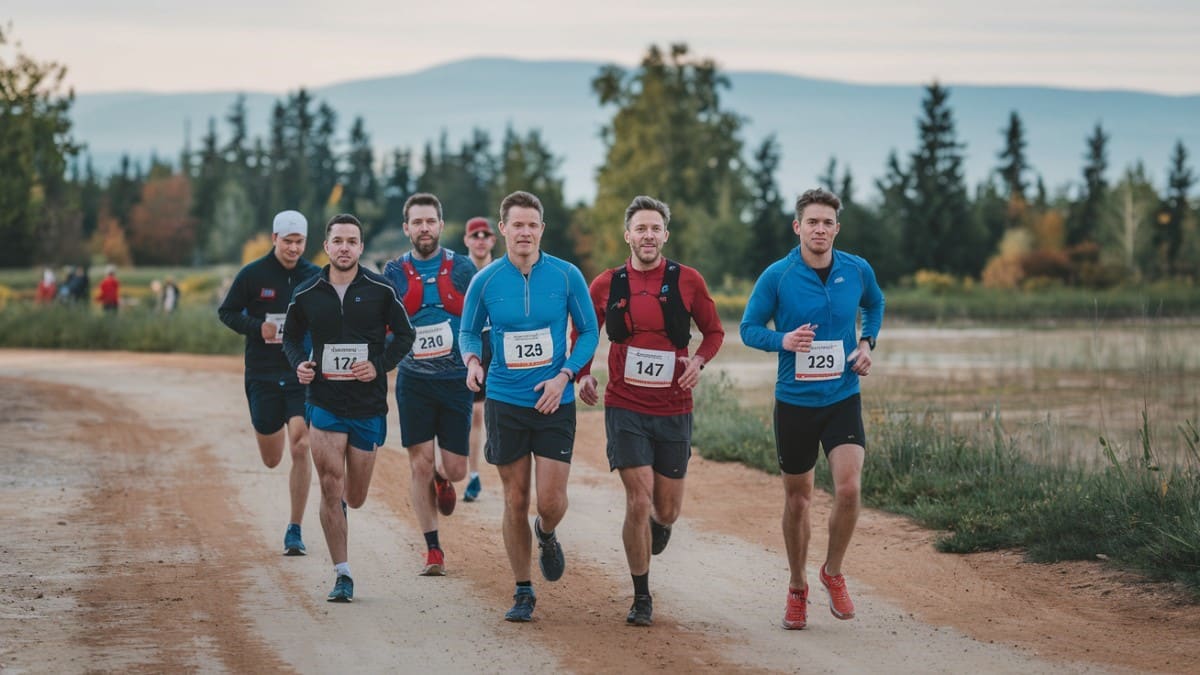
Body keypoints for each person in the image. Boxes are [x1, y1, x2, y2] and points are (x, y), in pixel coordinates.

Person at [739, 187, 884, 630]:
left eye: (828, 223)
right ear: (797, 226)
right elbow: (747, 328)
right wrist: (781, 340)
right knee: (799, 500)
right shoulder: (777, 276)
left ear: (837, 228)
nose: (820, 229)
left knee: (849, 489)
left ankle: (833, 572)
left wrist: (865, 343)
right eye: (812, 222)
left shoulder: (856, 269)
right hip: (795, 404)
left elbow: (875, 304)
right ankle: (798, 586)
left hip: (842, 396)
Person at [575, 195, 724, 627]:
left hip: (675, 406)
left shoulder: (688, 280)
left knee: (666, 509)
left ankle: (663, 524)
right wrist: (583, 374)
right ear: (628, 235)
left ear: (665, 235)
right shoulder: (606, 283)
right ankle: (642, 596)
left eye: (655, 228)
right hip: (625, 405)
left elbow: (714, 332)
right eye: (640, 228)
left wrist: (697, 362)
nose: (648, 235)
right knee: (637, 499)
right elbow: (585, 331)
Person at [459, 190, 599, 622]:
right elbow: (466, 332)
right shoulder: (484, 281)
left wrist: (565, 376)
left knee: (551, 500)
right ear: (503, 229)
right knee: (515, 498)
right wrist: (471, 361)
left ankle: (548, 532)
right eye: (516, 224)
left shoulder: (566, 275)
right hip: (505, 399)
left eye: (531, 224)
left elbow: (590, 332)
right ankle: (522, 589)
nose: (524, 232)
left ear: (542, 229)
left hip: (555, 398)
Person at [283, 213, 415, 603]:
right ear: (326, 247)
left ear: (360, 247)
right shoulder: (307, 293)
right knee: (329, 484)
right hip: (324, 402)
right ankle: (342, 573)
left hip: (367, 404)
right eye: (337, 240)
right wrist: (299, 364)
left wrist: (379, 364)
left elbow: (405, 335)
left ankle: (340, 507)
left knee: (354, 496)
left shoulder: (380, 289)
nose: (344, 247)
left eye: (351, 241)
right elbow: (291, 337)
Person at [382, 194, 478, 576]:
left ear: (441, 225)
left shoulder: (463, 268)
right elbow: (380, 321)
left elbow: (481, 316)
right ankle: (433, 549)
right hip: (414, 381)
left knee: (455, 469)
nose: (424, 228)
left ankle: (444, 477)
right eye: (416, 222)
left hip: (455, 381)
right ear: (406, 228)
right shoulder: (392, 272)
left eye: (430, 221)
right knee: (418, 465)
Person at [218, 210, 321, 556]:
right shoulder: (253, 275)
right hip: (262, 373)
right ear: (274, 238)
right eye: (288, 241)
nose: (294, 248)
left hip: (299, 372)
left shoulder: (314, 276)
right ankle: (267, 433)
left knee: (301, 444)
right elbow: (227, 312)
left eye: (300, 242)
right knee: (273, 458)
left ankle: (294, 529)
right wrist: (256, 327)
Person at [461, 216, 497, 502]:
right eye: (476, 235)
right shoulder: (459, 272)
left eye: (486, 234)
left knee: (481, 415)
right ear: (467, 241)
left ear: (493, 241)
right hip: (468, 346)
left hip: (498, 347)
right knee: (468, 414)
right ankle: (465, 472)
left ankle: (474, 473)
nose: (481, 239)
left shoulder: (504, 270)